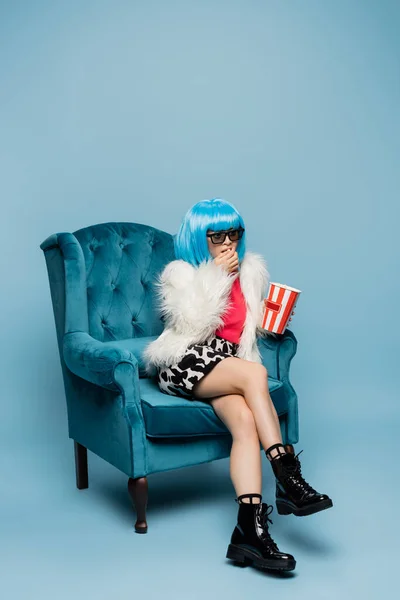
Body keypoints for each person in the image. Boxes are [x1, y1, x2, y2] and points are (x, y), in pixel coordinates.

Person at [143, 198, 333, 572]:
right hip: (185, 360)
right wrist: (214, 274)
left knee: (244, 422)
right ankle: (287, 476)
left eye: (234, 233)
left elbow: (242, 332)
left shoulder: (250, 271)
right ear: (200, 238)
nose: (228, 242)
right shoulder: (181, 272)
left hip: (226, 363)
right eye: (218, 236)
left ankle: (248, 532)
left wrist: (273, 316)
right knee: (255, 375)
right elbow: (191, 325)